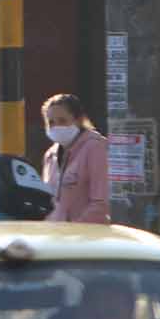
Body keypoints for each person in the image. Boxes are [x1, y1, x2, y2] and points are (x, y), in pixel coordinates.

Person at [40, 93, 110, 224]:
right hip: (56, 236)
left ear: (78, 120)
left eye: (62, 121)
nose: (56, 127)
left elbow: (100, 203)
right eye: (51, 123)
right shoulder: (50, 156)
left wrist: (75, 229)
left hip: (86, 237)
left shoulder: (95, 148)